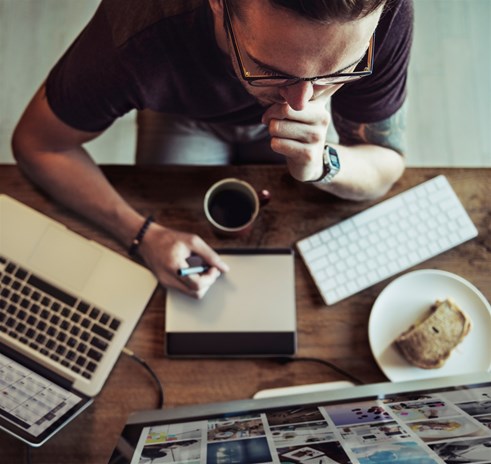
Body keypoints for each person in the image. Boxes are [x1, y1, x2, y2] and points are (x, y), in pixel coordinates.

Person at [11, 0, 413, 298]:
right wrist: (142, 235)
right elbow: (37, 145)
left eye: (339, 72)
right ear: (218, 5)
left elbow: (386, 163)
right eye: (269, 70)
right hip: (184, 116)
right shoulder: (136, 30)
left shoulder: (384, 14)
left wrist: (325, 161)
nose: (299, 105)